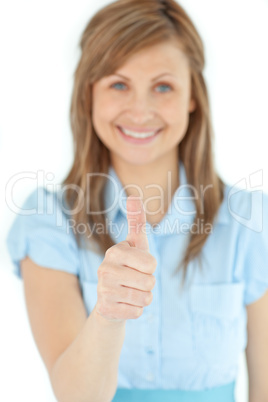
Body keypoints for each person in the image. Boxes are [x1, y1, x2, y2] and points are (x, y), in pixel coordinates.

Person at [6, 0, 268, 401]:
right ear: (88, 95)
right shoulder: (47, 222)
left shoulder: (251, 221)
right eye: (118, 84)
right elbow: (75, 396)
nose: (140, 110)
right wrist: (108, 313)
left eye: (163, 86)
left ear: (192, 97)